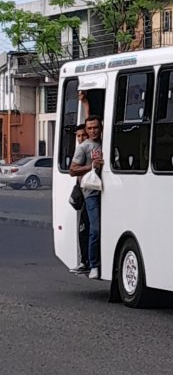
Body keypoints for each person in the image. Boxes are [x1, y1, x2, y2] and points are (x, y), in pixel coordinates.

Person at [70, 115, 103, 280]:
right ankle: (93, 265)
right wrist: (92, 166)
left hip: (110, 191)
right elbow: (72, 170)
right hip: (91, 193)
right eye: (89, 128)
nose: (92, 131)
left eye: (95, 127)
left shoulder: (106, 141)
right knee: (94, 229)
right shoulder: (83, 147)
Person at [69, 124, 91, 276]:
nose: (81, 138)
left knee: (88, 230)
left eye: (83, 135)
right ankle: (84, 261)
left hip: (91, 193)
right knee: (83, 230)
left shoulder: (89, 150)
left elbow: (74, 170)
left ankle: (86, 261)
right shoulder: (80, 151)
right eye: (78, 136)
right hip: (83, 195)